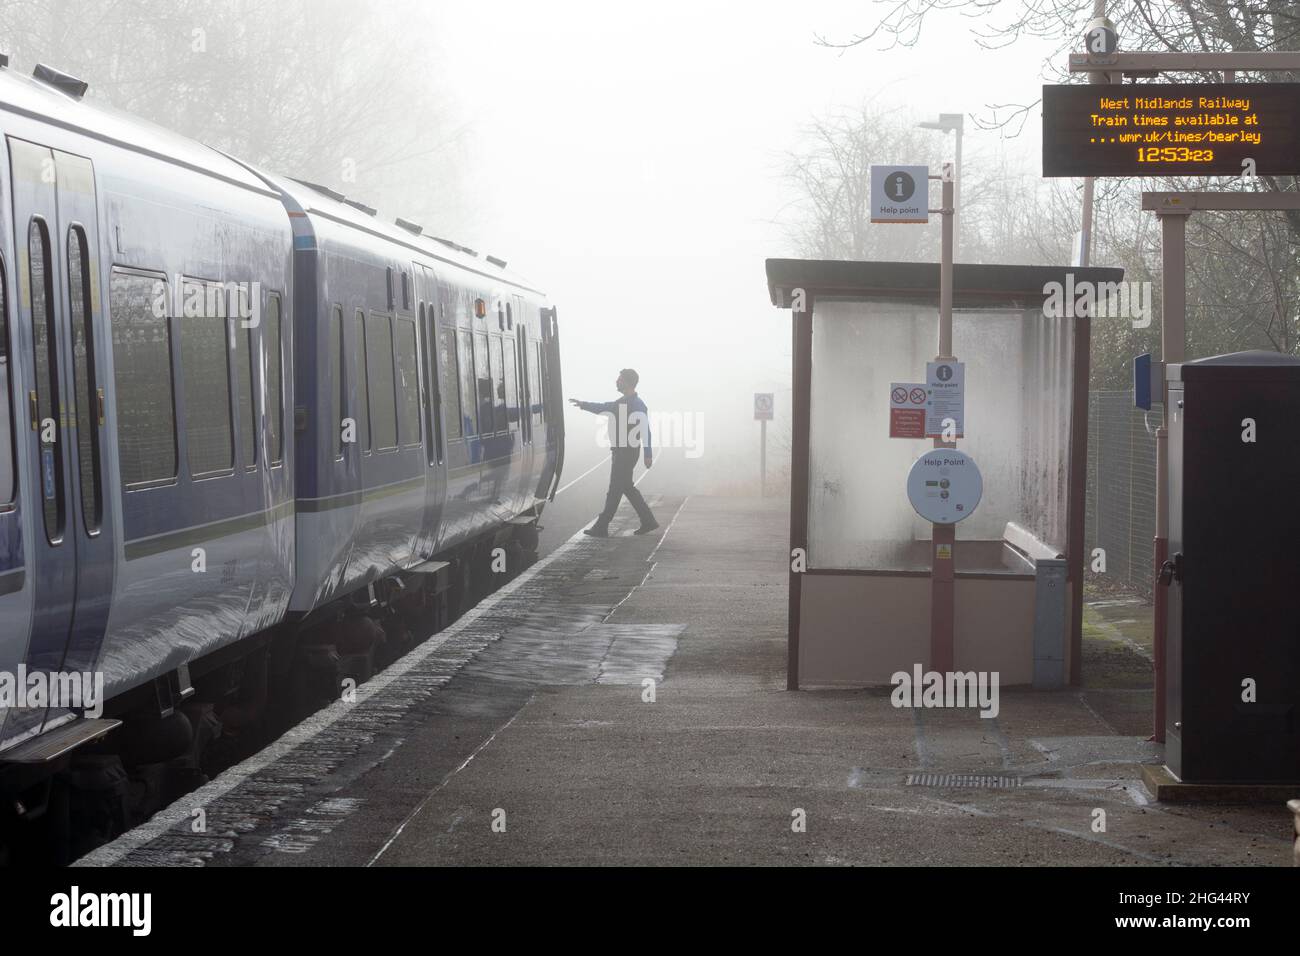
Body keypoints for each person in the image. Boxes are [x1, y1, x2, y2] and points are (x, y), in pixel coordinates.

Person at [569, 368, 659, 537]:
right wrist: (584, 404)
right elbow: (604, 407)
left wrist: (648, 454)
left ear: (627, 382)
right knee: (625, 488)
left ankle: (602, 526)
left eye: (619, 379)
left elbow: (645, 430)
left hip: (627, 452)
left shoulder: (637, 404)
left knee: (616, 489)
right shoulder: (622, 402)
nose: (616, 382)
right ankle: (648, 521)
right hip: (621, 451)